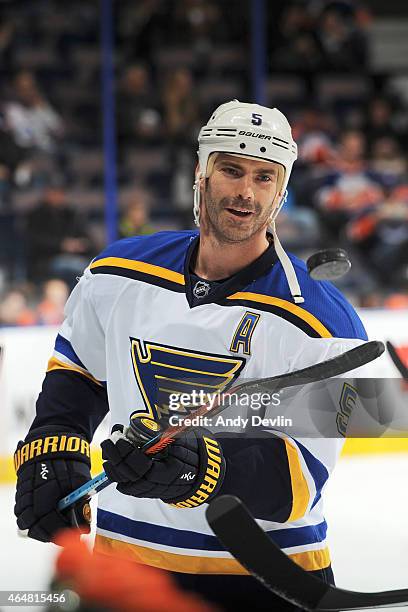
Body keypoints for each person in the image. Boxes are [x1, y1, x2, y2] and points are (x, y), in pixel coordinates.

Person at [14, 101, 368, 611]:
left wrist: (199, 469)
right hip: (127, 565)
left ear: (282, 192)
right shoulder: (118, 273)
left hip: (266, 577)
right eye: (231, 169)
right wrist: (54, 441)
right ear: (200, 173)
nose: (246, 191)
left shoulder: (324, 322)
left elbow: (300, 479)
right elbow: (79, 371)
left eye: (265, 177)